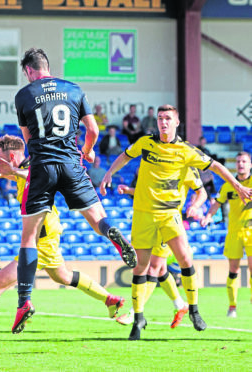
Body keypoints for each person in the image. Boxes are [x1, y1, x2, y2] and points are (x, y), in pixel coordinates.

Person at [0, 134, 125, 345]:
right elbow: (25, 175)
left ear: (12, 156)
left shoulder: (36, 164)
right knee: (63, 276)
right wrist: (1, 174)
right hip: (47, 233)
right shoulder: (23, 168)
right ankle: (109, 299)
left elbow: (36, 175)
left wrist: (10, 172)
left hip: (40, 238)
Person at [2, 48, 136, 334]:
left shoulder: (23, 96)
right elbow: (93, 130)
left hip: (42, 167)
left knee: (28, 239)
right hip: (71, 163)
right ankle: (113, 233)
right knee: (98, 218)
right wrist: (86, 152)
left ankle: (24, 301)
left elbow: (27, 139)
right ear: (47, 66)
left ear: (28, 70)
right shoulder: (73, 89)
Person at [100, 104, 252, 340]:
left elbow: (215, 169)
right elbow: (125, 156)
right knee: (143, 267)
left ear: (176, 122)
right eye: (160, 118)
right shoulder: (145, 143)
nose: (163, 122)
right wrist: (110, 172)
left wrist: (237, 186)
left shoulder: (186, 153)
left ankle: (193, 309)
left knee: (184, 260)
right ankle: (138, 318)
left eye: (168, 118)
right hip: (143, 214)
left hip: (170, 215)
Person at [114, 166, 208, 328]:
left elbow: (202, 192)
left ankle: (134, 312)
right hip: (152, 222)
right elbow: (149, 195)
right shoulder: (160, 165)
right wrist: (129, 190)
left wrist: (195, 206)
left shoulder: (186, 166)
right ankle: (180, 305)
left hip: (169, 223)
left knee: (154, 268)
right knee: (161, 270)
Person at [200, 151, 252, 318]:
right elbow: (217, 203)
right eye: (238, 162)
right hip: (234, 232)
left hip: (251, 232)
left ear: (250, 164)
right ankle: (232, 306)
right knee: (233, 270)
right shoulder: (230, 185)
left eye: (244, 161)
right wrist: (208, 216)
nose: (241, 164)